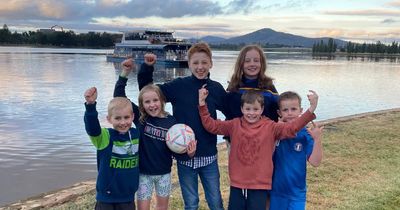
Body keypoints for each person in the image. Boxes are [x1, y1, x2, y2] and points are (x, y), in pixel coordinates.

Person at [123, 42, 227, 210]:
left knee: (215, 201)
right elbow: (148, 93)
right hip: (184, 159)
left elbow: (231, 111)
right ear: (188, 64)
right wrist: (148, 68)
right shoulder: (179, 86)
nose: (200, 67)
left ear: (210, 64)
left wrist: (231, 134)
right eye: (195, 63)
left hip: (209, 157)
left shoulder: (216, 88)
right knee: (191, 203)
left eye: (204, 62)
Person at [198, 88, 319, 210]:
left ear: (261, 109)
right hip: (238, 183)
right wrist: (202, 104)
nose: (251, 113)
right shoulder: (233, 125)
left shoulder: (271, 127)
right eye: (248, 109)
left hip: (260, 185)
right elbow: (211, 126)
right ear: (242, 109)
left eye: (255, 109)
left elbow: (292, 128)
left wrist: (311, 109)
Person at [113, 58, 197, 210]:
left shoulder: (172, 123)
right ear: (142, 105)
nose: (152, 105)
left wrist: (188, 154)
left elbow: (176, 151)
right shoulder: (140, 118)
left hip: (164, 174)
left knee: (162, 207)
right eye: (147, 102)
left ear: (162, 100)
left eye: (155, 100)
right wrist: (124, 73)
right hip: (143, 174)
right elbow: (119, 96)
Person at [84, 87, 139, 210]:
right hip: (106, 198)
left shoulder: (136, 134)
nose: (123, 122)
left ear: (133, 117)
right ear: (109, 119)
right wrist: (90, 106)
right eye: (117, 118)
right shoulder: (105, 137)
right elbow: (93, 129)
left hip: (128, 197)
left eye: (126, 117)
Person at [269, 91, 324, 210]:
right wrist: (276, 134)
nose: (289, 113)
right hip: (276, 192)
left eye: (293, 109)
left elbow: (315, 162)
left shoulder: (305, 134)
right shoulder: (274, 132)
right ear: (279, 112)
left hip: (297, 194)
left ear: (301, 111)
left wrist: (317, 139)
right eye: (285, 110)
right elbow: (266, 156)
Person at [225, 45, 279, 151]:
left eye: (256, 60)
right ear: (241, 64)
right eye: (247, 61)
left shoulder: (269, 87)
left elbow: (278, 112)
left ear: (261, 63)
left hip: (264, 142)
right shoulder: (234, 87)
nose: (252, 64)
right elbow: (227, 111)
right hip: (237, 142)